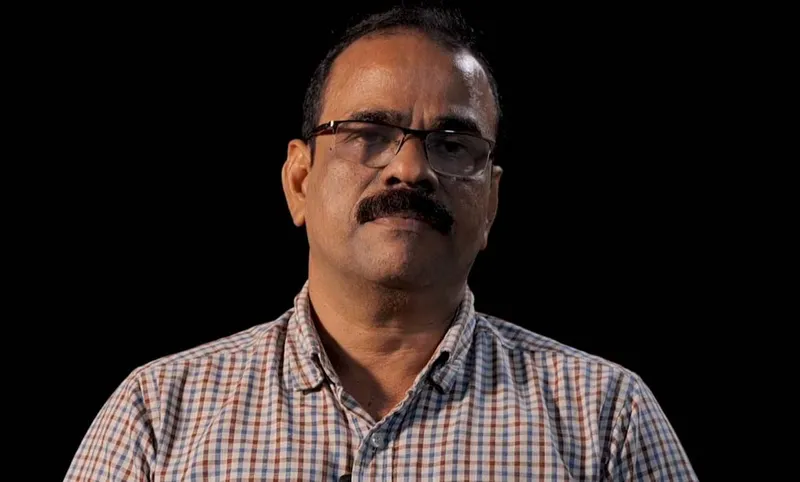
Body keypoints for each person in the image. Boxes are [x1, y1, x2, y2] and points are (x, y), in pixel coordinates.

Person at [65, 6, 697, 481]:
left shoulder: (606, 418)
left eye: (452, 144)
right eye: (369, 133)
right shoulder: (157, 415)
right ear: (299, 180)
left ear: (491, 203)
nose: (411, 170)